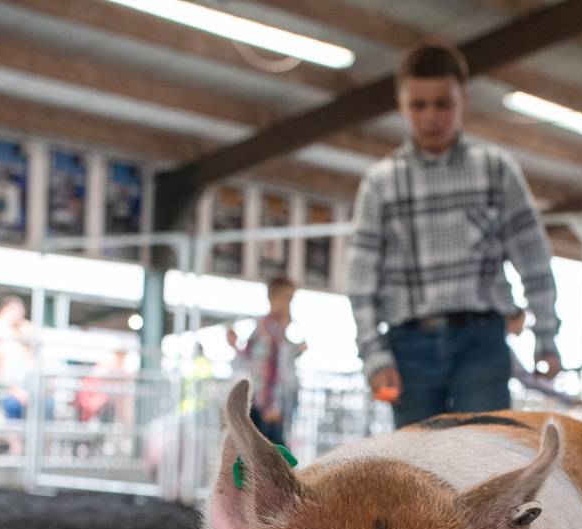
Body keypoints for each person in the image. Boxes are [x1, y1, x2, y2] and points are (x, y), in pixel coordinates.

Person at [346, 40, 561, 429]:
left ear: (463, 100)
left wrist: (546, 336)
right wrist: (374, 357)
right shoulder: (380, 184)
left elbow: (533, 259)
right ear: (402, 103)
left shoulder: (496, 170)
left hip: (481, 342)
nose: (431, 116)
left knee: (488, 457)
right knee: (416, 469)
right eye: (419, 105)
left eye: (443, 103)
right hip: (408, 348)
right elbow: (361, 282)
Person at [227, 276, 305, 446]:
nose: (288, 304)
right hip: (267, 410)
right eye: (286, 298)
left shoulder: (276, 330)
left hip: (271, 408)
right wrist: (270, 408)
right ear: (273, 298)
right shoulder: (267, 330)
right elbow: (265, 372)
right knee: (277, 461)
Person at [0, 295, 33, 421]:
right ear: (5, 310)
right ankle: (17, 441)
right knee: (11, 405)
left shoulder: (23, 331)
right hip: (3, 390)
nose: (18, 316)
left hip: (22, 388)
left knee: (45, 404)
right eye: (15, 311)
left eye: (20, 312)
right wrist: (13, 390)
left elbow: (31, 362)